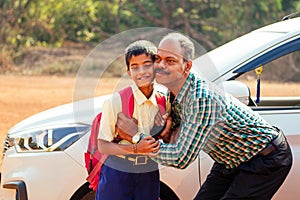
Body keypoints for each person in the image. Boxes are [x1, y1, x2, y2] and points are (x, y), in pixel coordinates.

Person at [116, 32, 293, 199]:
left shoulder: (201, 99)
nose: (161, 65)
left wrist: (136, 137)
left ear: (187, 66)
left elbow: (181, 157)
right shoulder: (172, 90)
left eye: (170, 61)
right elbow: (173, 134)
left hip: (264, 158)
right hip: (230, 159)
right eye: (158, 58)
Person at [96, 40, 162, 200]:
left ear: (156, 66)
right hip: (118, 170)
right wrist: (136, 149)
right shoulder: (116, 101)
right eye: (135, 67)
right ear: (128, 71)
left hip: (149, 170)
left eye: (147, 65)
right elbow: (103, 145)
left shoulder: (163, 100)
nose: (142, 72)